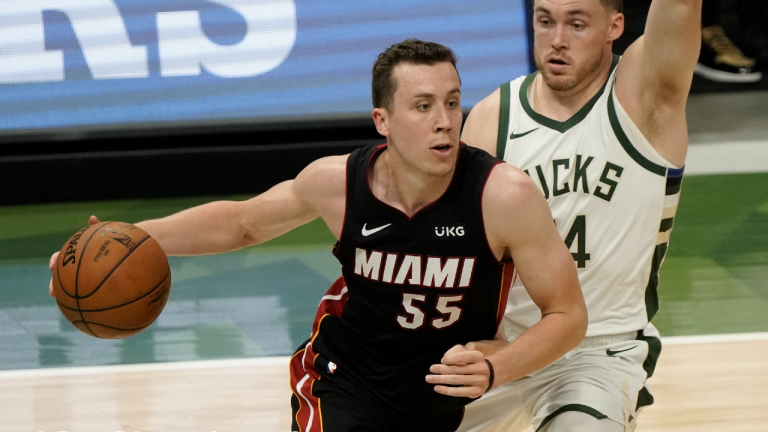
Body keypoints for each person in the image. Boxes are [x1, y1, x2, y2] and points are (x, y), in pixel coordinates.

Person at [48, 40, 587, 432]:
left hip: (436, 395)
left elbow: (568, 315)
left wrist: (498, 367)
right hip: (342, 374)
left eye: (451, 101)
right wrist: (128, 238)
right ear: (383, 120)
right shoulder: (338, 184)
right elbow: (240, 223)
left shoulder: (502, 196)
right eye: (423, 106)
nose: (445, 121)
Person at [458, 1, 700, 431]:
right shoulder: (492, 118)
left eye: (576, 23)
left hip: (598, 356)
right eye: (545, 21)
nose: (557, 40)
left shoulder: (646, 94)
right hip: (505, 348)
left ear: (615, 26)